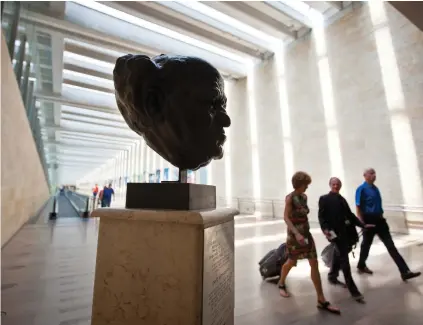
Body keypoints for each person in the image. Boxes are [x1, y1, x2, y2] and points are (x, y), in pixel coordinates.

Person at [278, 171, 340, 315]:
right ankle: (281, 283)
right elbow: (286, 218)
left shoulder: (304, 197)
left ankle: (321, 299)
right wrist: (297, 234)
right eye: (306, 185)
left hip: (306, 234)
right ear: (299, 184)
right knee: (291, 262)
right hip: (295, 237)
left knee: (314, 263)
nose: (307, 187)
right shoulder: (290, 198)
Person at [356, 168, 421, 281]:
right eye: (371, 173)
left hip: (380, 221)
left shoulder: (376, 189)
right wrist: (362, 223)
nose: (374, 175)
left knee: (391, 246)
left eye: (374, 173)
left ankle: (405, 271)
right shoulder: (361, 189)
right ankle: (361, 265)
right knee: (366, 245)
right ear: (365, 175)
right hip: (369, 221)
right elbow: (358, 206)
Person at [318, 177, 374, 303]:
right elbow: (321, 217)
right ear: (330, 185)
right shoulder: (324, 199)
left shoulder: (342, 199)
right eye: (333, 184)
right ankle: (353, 291)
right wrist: (325, 229)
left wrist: (363, 225)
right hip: (334, 234)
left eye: (338, 184)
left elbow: (350, 216)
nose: (336, 186)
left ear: (340, 185)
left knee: (340, 255)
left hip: (346, 234)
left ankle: (332, 276)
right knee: (345, 261)